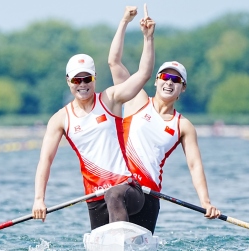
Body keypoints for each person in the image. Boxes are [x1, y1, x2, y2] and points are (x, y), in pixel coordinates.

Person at [32, 6, 156, 232]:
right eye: (76, 80)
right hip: (95, 198)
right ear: (68, 81)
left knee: (114, 194)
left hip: (127, 190)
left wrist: (147, 38)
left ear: (94, 78)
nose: (82, 85)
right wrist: (39, 199)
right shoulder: (59, 119)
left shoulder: (110, 99)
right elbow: (45, 162)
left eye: (86, 78)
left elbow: (143, 74)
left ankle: (122, 241)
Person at [108, 6, 221, 234]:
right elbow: (114, 63)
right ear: (156, 81)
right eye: (165, 77)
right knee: (115, 194)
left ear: (182, 89)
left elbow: (194, 165)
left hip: (149, 196)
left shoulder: (183, 125)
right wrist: (127, 24)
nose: (169, 82)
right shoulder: (136, 100)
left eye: (176, 80)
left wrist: (206, 201)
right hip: (119, 190)